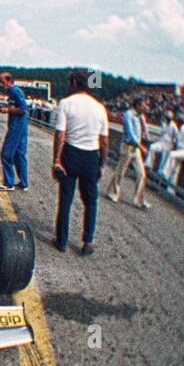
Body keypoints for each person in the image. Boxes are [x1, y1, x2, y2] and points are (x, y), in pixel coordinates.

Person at [51, 69, 109, 255]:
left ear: (74, 83)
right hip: (91, 155)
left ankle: (61, 241)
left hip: (71, 152)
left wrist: (56, 160)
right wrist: (101, 164)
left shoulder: (66, 103)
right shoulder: (99, 107)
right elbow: (104, 140)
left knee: (66, 200)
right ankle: (88, 241)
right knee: (91, 201)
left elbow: (60, 134)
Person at [108, 95, 150, 209]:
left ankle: (139, 199)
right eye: (143, 105)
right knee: (121, 171)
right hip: (128, 146)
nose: (145, 107)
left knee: (141, 173)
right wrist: (141, 147)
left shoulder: (141, 117)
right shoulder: (128, 115)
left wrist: (146, 135)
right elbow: (130, 134)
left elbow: (144, 131)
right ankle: (113, 192)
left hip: (135, 149)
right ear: (137, 105)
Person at [0, 71, 29, 191]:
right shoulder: (12, 92)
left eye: (2, 82)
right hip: (21, 126)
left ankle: (9, 183)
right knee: (19, 155)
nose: (1, 84)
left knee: (6, 154)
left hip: (17, 127)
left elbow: (23, 109)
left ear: (9, 81)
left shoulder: (15, 91)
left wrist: (7, 110)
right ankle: (24, 183)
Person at [162, 113, 184, 192]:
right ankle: (171, 189)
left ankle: (165, 172)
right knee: (175, 169)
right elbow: (175, 142)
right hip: (178, 151)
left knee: (171, 154)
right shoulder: (178, 130)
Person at [147, 108, 179, 178]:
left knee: (163, 160)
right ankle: (149, 165)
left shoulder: (173, 126)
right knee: (152, 147)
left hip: (168, 145)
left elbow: (176, 137)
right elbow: (162, 134)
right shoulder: (164, 124)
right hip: (162, 143)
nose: (167, 119)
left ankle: (159, 176)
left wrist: (174, 145)